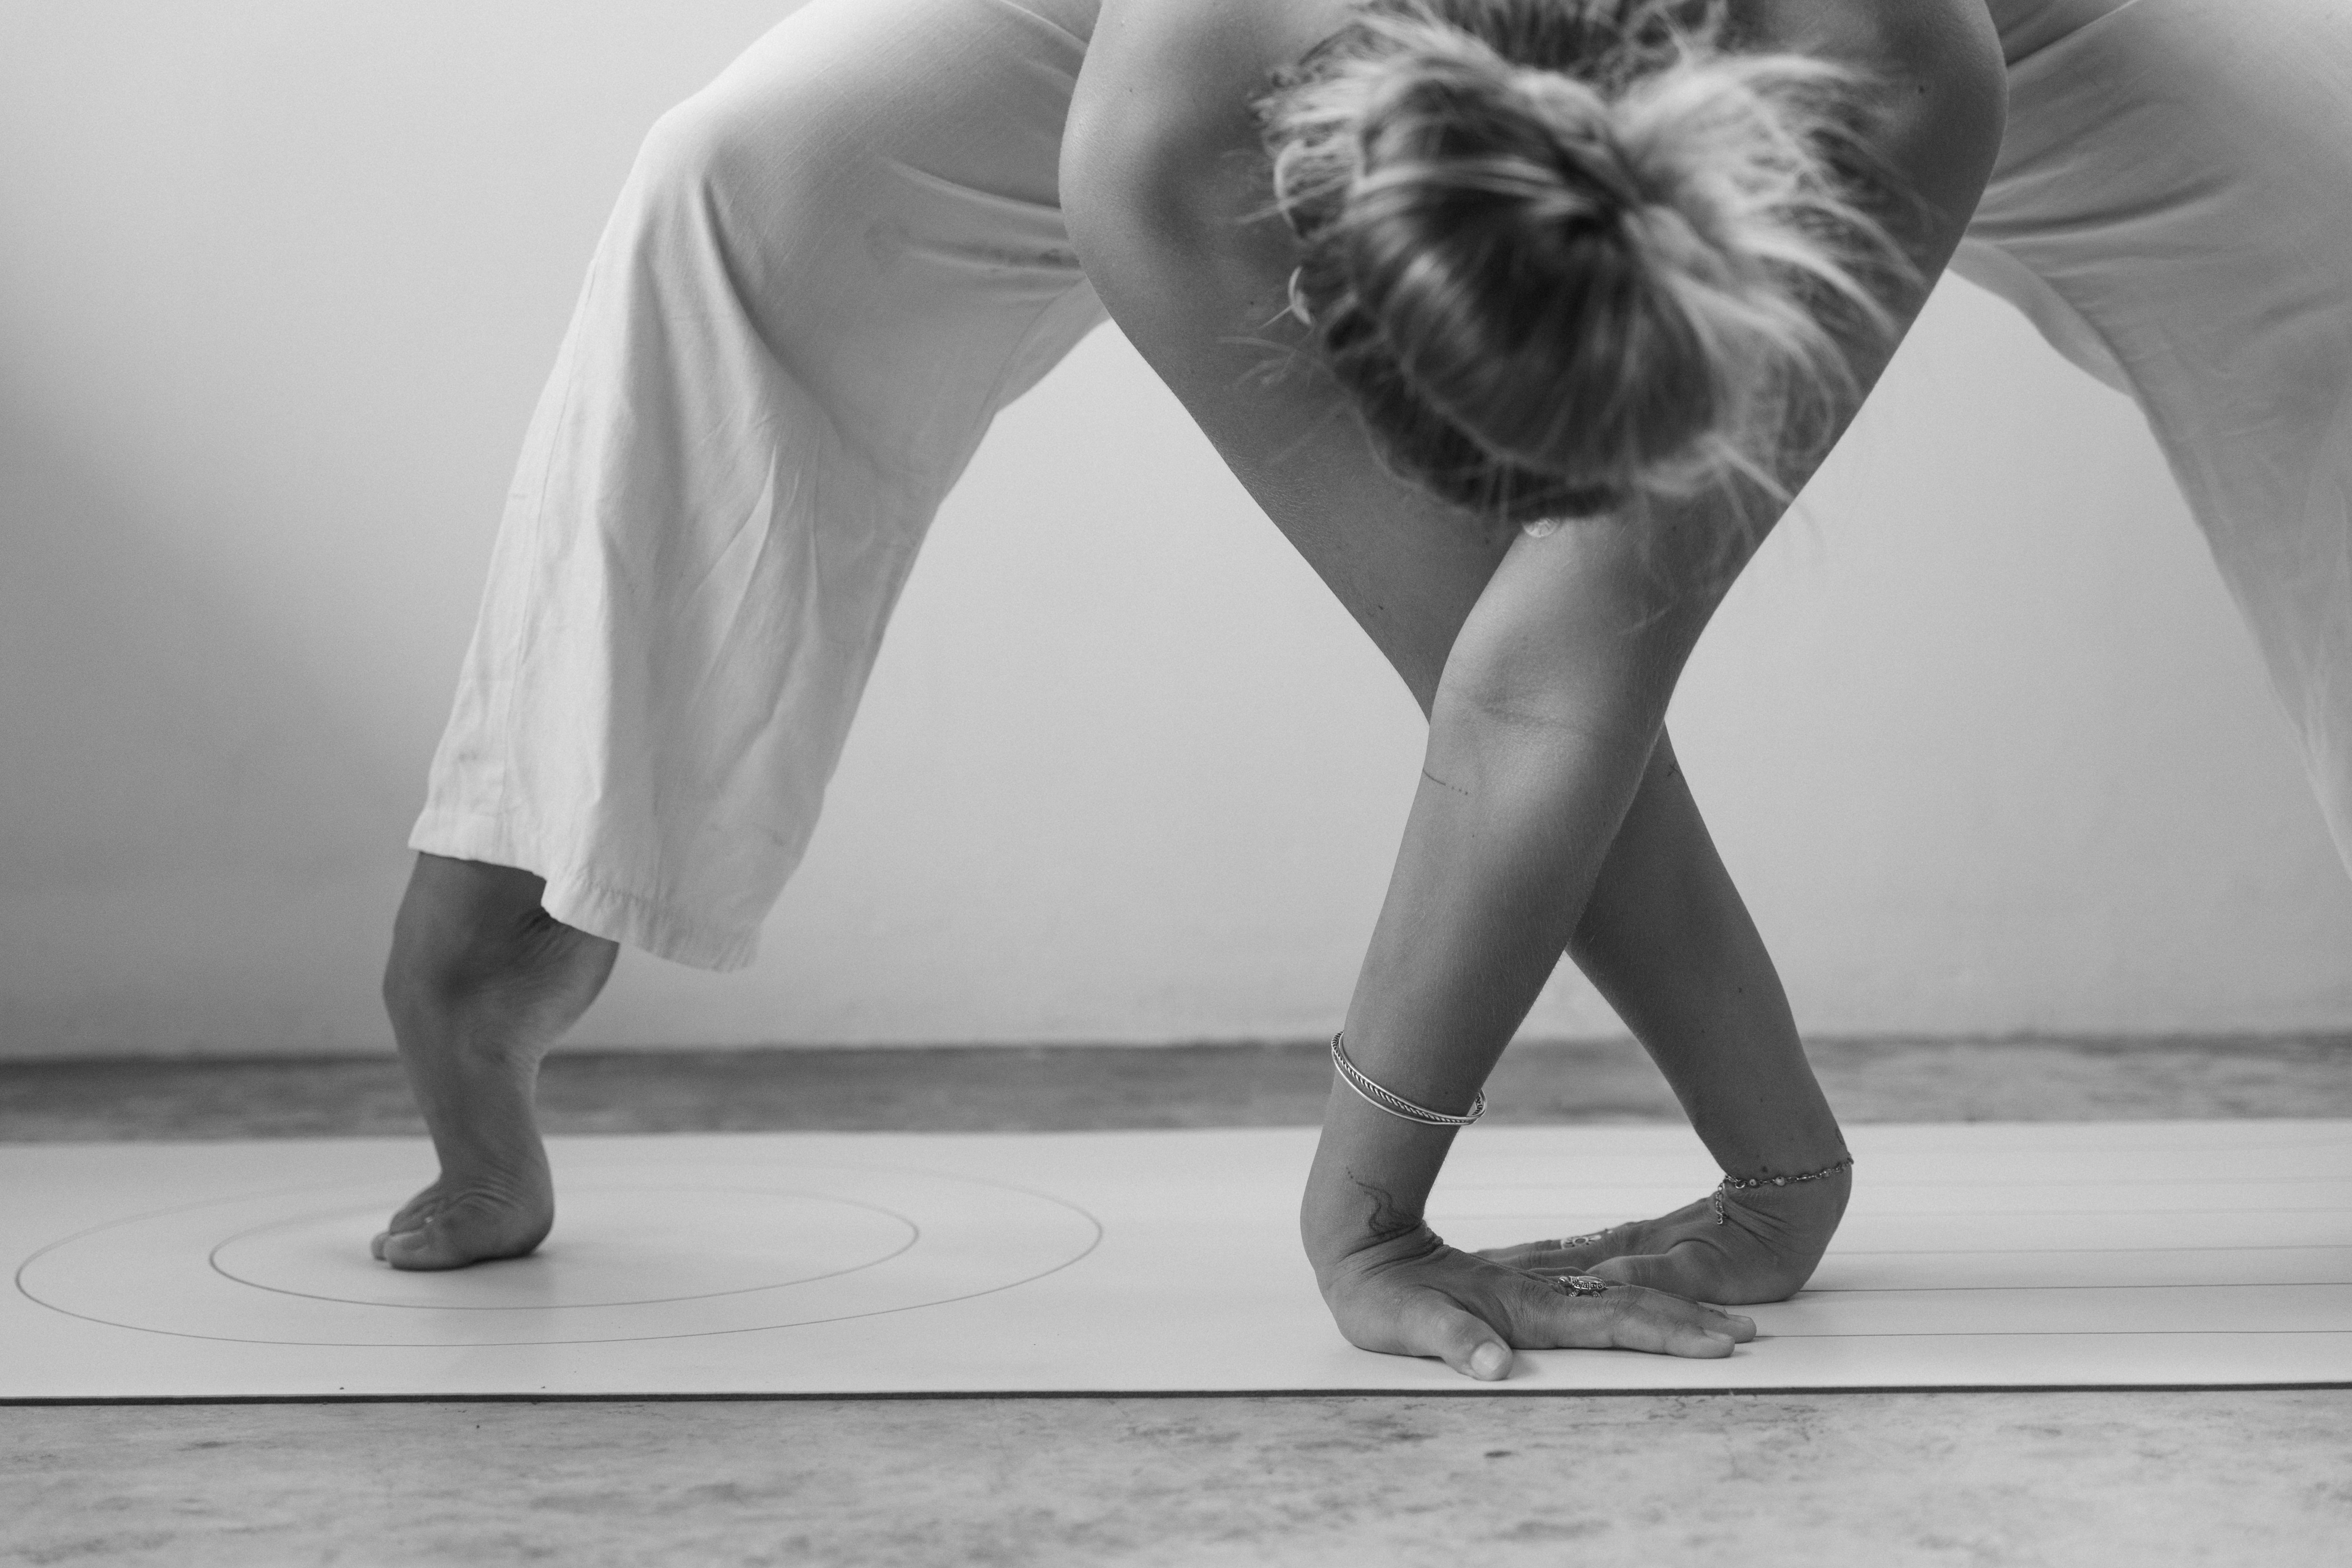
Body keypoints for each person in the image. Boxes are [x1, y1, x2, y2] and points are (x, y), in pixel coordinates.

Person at [380, 0, 2347, 1378]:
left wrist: (1756, 1176)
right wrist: (1404, 1211)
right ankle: (497, 947)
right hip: (1241, 59)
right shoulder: (1171, 110)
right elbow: (1497, 681)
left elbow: (1551, 676)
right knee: (748, 174)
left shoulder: (1890, 55)